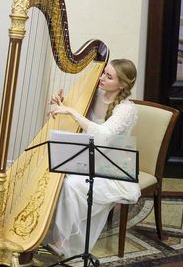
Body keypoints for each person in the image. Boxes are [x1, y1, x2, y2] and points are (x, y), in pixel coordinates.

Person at [46, 58, 141, 256]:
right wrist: (62, 103)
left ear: (122, 84)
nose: (101, 78)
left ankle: (63, 241)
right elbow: (77, 116)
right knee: (56, 176)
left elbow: (104, 135)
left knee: (72, 184)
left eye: (108, 76)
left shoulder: (126, 109)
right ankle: (47, 231)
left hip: (111, 168)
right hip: (86, 159)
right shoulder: (93, 94)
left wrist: (71, 112)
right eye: (103, 73)